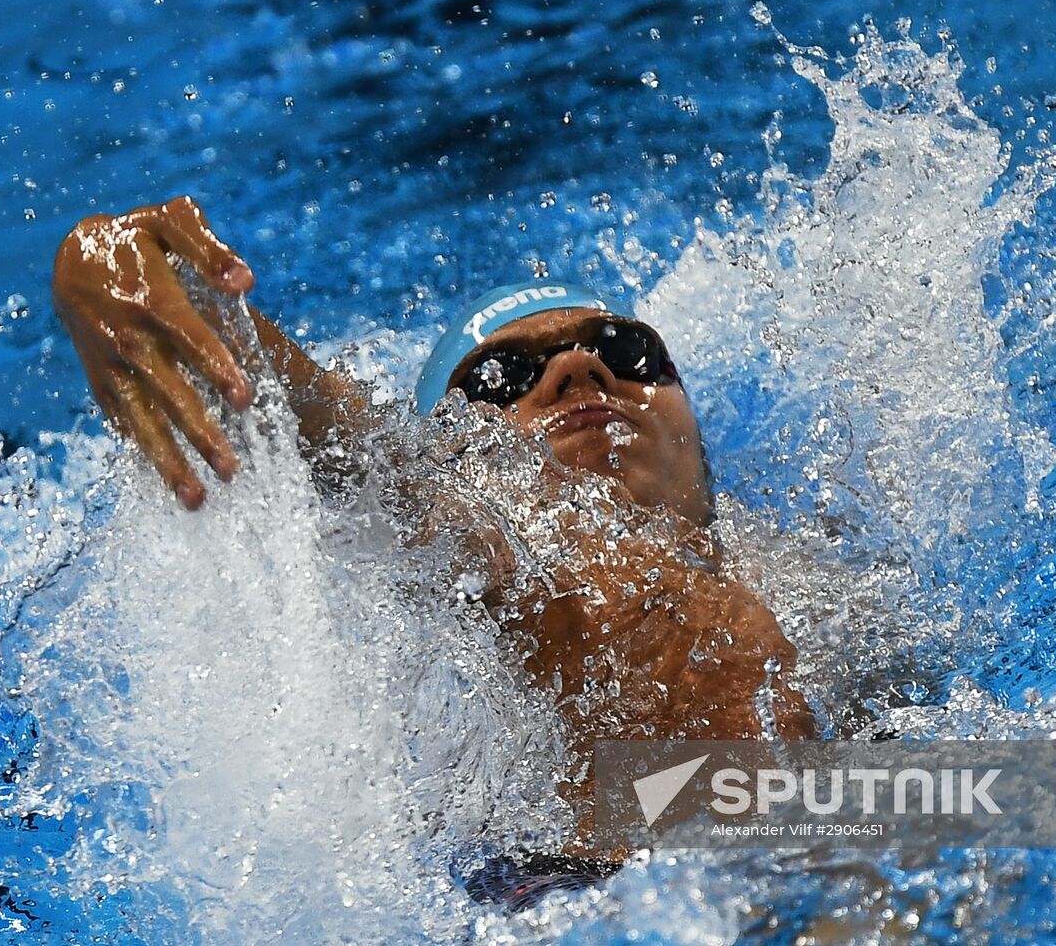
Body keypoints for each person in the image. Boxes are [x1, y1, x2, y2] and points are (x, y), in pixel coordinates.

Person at [52, 195, 816, 907]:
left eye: (627, 349)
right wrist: (97, 259)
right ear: (456, 461)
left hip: (814, 835)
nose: (578, 371)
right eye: (501, 377)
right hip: (570, 895)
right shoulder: (489, 545)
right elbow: (360, 456)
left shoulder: (817, 575)